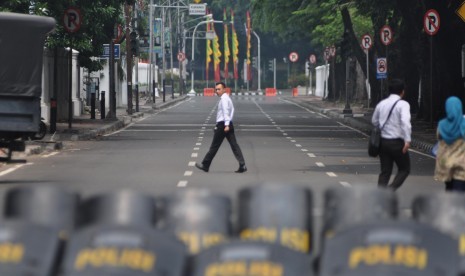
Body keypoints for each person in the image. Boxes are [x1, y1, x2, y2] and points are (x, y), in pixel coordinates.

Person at [195, 82, 247, 173]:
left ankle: (205, 165)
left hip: (223, 125)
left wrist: (226, 125)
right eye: (216, 89)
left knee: (214, 146)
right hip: (228, 123)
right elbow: (232, 111)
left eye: (219, 89)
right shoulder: (227, 98)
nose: (217, 91)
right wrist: (229, 123)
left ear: (224, 89)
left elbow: (226, 112)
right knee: (234, 145)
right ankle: (242, 165)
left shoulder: (223, 99)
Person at [371, 79, 411, 190]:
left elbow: (374, 121)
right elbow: (405, 122)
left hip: (383, 143)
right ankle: (391, 189)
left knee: (385, 171)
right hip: (397, 142)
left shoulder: (381, 104)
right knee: (404, 169)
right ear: (402, 92)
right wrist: (407, 140)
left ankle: (380, 197)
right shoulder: (403, 104)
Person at [434, 96, 465, 191]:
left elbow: (438, 138)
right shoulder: (463, 124)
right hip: (461, 165)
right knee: (458, 193)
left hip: (446, 164)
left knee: (449, 188)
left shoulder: (442, 124)